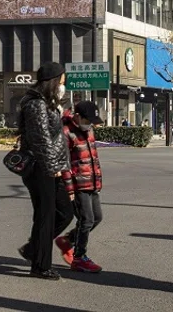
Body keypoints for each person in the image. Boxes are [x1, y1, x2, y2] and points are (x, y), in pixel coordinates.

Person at [17, 61, 74, 280]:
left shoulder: (48, 102)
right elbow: (41, 140)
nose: (64, 82)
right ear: (53, 80)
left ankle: (33, 250)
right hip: (41, 168)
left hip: (52, 166)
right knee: (45, 216)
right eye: (62, 78)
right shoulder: (36, 104)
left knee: (65, 212)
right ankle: (40, 265)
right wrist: (52, 168)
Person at [56, 101, 104, 273]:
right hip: (78, 184)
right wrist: (69, 189)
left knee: (97, 217)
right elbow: (65, 164)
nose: (90, 124)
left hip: (91, 182)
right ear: (77, 116)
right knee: (87, 220)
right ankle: (79, 257)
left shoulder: (88, 130)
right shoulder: (66, 132)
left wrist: (97, 179)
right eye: (87, 120)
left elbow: (92, 157)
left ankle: (68, 240)